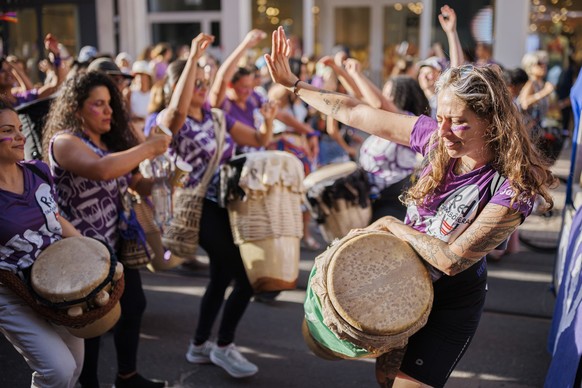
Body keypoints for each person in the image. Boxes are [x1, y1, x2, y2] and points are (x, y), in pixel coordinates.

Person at [264, 25, 557, 388]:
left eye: (460, 123)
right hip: (402, 283)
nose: (444, 131)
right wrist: (295, 84)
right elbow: (356, 113)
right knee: (385, 379)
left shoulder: (514, 187)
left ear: (491, 122)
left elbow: (451, 260)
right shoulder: (436, 140)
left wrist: (391, 224)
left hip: (451, 301)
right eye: (441, 119)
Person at [154, 33, 276, 379]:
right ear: (177, 85)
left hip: (225, 205)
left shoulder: (217, 117)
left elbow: (259, 140)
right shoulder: (171, 119)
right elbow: (177, 110)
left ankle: (198, 345)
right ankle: (223, 346)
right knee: (245, 278)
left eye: (204, 82)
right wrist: (193, 57)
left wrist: (267, 118)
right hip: (197, 207)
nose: (202, 86)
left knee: (221, 276)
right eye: (195, 81)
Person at [42, 71, 171, 388]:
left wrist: (167, 179)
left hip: (115, 245)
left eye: (110, 103)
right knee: (93, 322)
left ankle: (127, 376)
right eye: (98, 104)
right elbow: (102, 170)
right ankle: (90, 384)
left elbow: (134, 181)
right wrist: (149, 148)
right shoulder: (65, 141)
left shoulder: (108, 142)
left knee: (133, 305)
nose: (109, 110)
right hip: (81, 250)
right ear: (76, 108)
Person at [0, 98, 84, 387]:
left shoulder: (38, 171)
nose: (20, 136)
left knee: (74, 369)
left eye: (20, 128)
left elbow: (55, 220)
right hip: (12, 294)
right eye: (8, 130)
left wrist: (92, 254)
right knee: (57, 370)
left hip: (59, 284)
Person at [0, 34, 66, 109]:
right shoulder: (2, 105)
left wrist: (56, 55)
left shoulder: (22, 97)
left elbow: (55, 85)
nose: (8, 73)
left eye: (10, 69)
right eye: (2, 71)